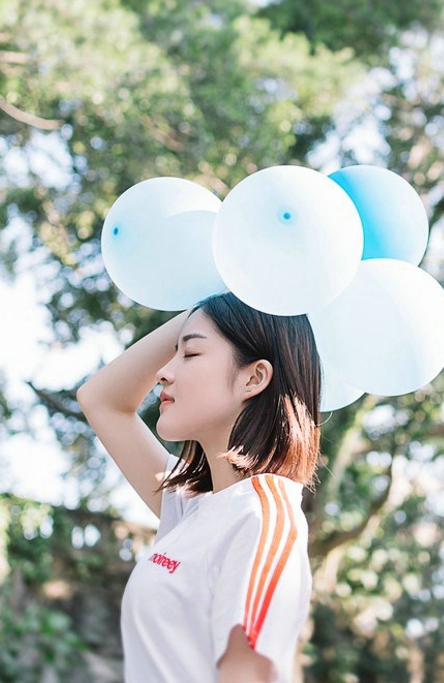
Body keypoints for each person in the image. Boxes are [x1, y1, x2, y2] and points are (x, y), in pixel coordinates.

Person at [77, 290, 321, 683]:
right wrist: (213, 298)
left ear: (254, 378)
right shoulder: (191, 508)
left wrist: (227, 298)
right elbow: (100, 399)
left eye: (189, 355)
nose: (164, 372)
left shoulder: (262, 516)